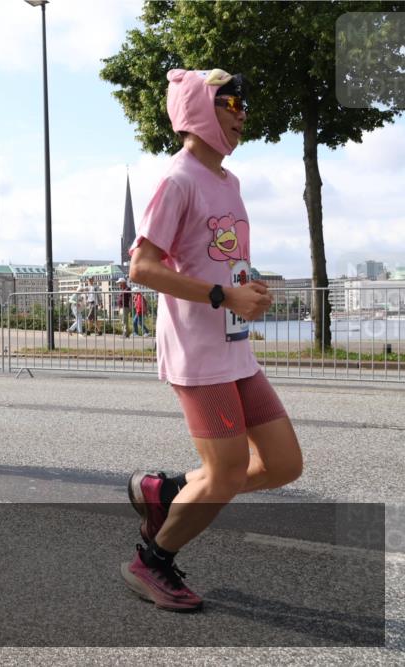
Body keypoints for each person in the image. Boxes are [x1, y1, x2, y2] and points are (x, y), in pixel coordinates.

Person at [122, 68, 302, 612]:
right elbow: (142, 268)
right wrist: (223, 296)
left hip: (235, 348)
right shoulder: (177, 181)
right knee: (224, 473)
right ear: (200, 109)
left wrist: (248, 289)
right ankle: (151, 560)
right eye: (230, 101)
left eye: (243, 101)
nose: (242, 111)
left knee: (283, 464)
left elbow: (220, 261)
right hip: (198, 354)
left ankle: (168, 491)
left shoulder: (229, 182)